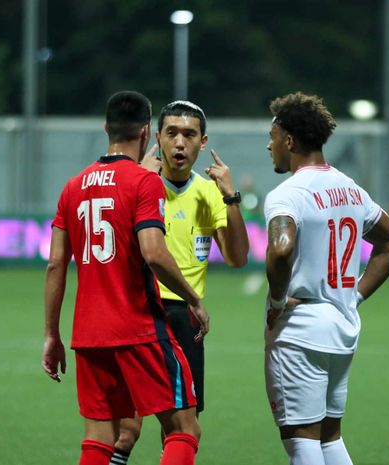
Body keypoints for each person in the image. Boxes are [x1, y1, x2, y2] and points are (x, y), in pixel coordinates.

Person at [42, 91, 209, 465]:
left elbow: (55, 264)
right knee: (184, 428)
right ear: (148, 132)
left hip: (88, 334)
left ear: (106, 128)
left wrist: (52, 335)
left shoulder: (73, 187)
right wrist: (193, 298)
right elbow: (153, 252)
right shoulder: (144, 182)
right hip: (138, 328)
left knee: (100, 437)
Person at [263, 92, 389, 465]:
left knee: (300, 437)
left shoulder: (288, 194)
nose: (269, 145)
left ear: (290, 141)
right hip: (342, 326)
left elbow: (280, 248)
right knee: (329, 435)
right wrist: (354, 295)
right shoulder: (350, 188)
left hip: (302, 328)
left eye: (273, 136)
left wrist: (277, 302)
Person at [111, 100, 249, 465]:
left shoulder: (207, 192)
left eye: (189, 134)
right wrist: (134, 181)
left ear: (202, 142)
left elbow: (237, 258)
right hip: (138, 311)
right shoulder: (139, 184)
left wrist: (231, 197)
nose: (179, 143)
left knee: (180, 430)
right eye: (171, 133)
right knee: (126, 430)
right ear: (156, 138)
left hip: (183, 319)